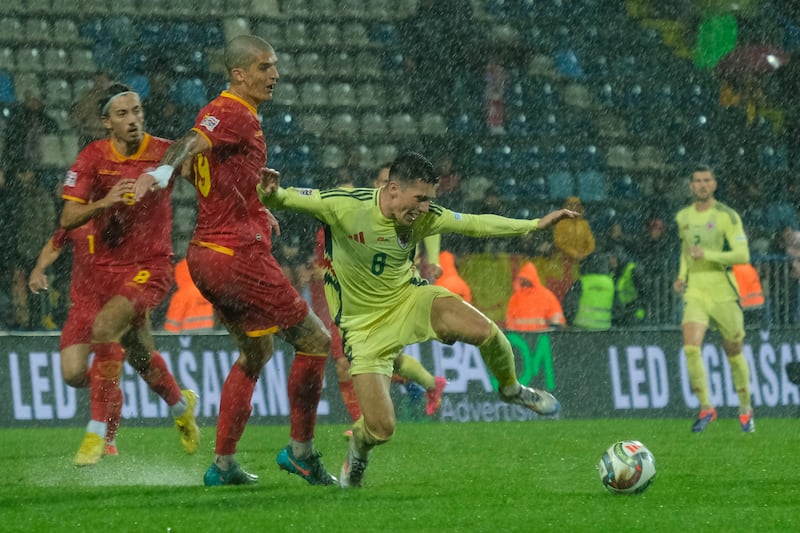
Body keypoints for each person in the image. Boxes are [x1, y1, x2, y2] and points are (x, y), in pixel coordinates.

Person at [257, 151, 574, 488]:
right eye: (420, 198)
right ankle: (358, 449)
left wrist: (533, 225)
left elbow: (476, 223)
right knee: (381, 428)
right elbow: (288, 198)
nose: (424, 208)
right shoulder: (346, 205)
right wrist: (271, 194)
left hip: (410, 298)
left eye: (429, 200)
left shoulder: (423, 217)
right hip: (363, 328)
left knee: (486, 331)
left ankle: (512, 390)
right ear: (393, 189)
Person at [133, 35, 336, 487]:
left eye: (276, 66)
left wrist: (252, 201)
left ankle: (223, 465)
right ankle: (301, 452)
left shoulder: (231, 116)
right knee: (315, 340)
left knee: (256, 351)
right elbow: (190, 143)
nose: (275, 74)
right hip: (235, 254)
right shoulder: (231, 111)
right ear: (239, 74)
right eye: (266, 67)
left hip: (207, 254)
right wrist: (163, 170)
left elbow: (202, 169)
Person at [60, 82, 200, 465]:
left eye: (137, 111)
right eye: (122, 114)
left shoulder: (162, 153)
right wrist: (105, 201)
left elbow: (205, 175)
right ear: (106, 122)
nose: (133, 120)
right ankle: (180, 409)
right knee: (139, 354)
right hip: (104, 273)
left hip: (149, 269)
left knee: (105, 328)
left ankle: (96, 433)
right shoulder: (92, 157)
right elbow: (68, 217)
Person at [28, 221, 126, 462]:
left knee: (106, 368)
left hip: (112, 307)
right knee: (72, 375)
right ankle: (109, 390)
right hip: (81, 309)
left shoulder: (120, 215)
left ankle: (108, 440)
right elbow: (55, 244)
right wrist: (38, 270)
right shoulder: (77, 216)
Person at [673, 164, 754, 433]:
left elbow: (742, 255)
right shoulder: (682, 216)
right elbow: (686, 249)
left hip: (722, 289)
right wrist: (682, 275)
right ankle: (707, 407)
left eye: (707, 180)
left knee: (734, 351)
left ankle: (745, 409)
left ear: (714, 184)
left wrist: (708, 255)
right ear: (691, 186)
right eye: (697, 181)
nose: (702, 185)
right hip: (696, 290)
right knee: (691, 348)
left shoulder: (726, 216)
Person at [505, 262, 564, 332]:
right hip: (539, 338)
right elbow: (510, 321)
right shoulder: (546, 295)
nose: (524, 281)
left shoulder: (516, 297)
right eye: (523, 279)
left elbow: (556, 320)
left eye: (525, 279)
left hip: (525, 338)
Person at [163, 257, 215, 332]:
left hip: (188, 337)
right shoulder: (208, 291)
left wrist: (168, 337)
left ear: (179, 273)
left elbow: (173, 323)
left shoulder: (181, 295)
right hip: (209, 335)